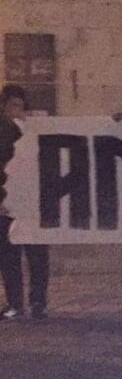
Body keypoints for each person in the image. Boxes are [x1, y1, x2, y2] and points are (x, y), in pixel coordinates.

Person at [0, 84, 50, 321]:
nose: (16, 111)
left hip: (31, 202)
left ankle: (38, 301)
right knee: (9, 255)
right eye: (12, 106)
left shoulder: (32, 131)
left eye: (20, 106)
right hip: (6, 202)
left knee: (37, 253)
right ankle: (15, 303)